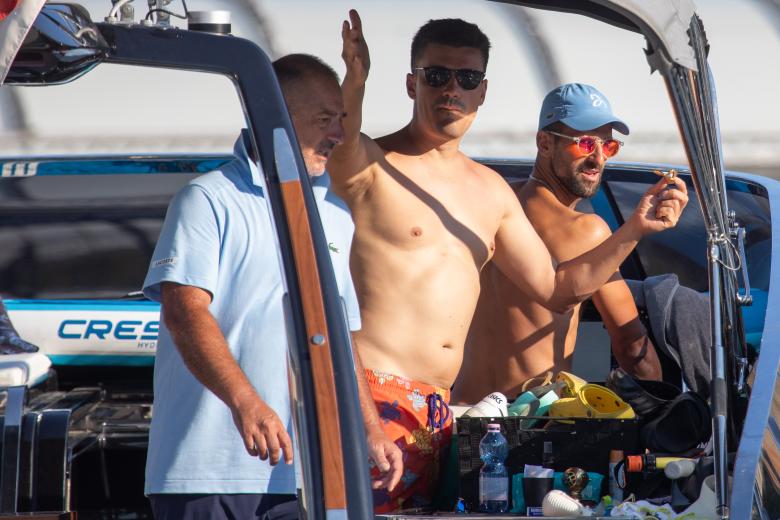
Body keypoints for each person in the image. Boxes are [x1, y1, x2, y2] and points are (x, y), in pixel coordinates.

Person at [328, 11, 688, 512]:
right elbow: (339, 144)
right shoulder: (373, 164)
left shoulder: (492, 192)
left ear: (483, 90)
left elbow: (560, 289)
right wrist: (354, 83)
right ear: (412, 84)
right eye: (437, 75)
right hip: (374, 399)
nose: (452, 89)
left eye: (467, 78)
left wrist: (638, 227)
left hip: (449, 415)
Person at [142, 54, 402, 520]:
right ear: (275, 114)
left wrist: (370, 427)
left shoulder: (336, 216)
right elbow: (184, 313)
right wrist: (248, 403)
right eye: (325, 118)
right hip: (207, 473)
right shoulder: (207, 199)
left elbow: (339, 333)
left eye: (341, 118)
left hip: (309, 478)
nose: (340, 134)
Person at [454, 83, 665, 405]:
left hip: (459, 411)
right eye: (584, 143)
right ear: (544, 143)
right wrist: (665, 413)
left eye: (608, 146)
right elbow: (631, 347)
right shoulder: (586, 232)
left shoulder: (487, 203)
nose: (597, 158)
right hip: (526, 423)